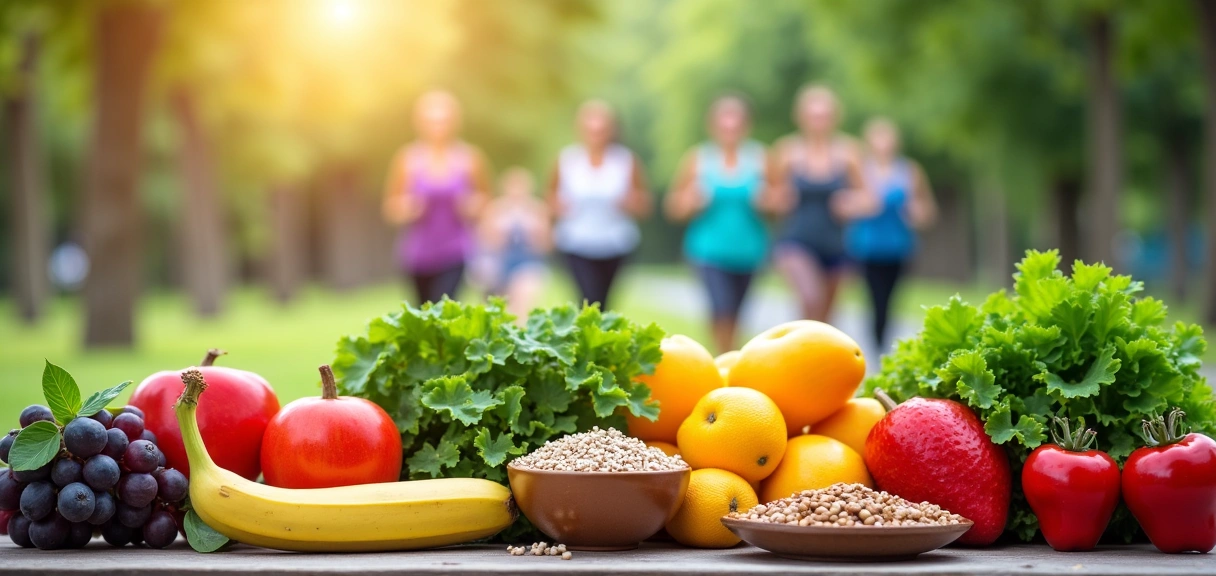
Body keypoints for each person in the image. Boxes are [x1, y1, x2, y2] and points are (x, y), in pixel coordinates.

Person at [666, 95, 781, 353]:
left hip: (749, 251)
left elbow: (783, 202)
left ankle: (727, 357)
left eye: (736, 126)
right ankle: (722, 360)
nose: (730, 131)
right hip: (708, 250)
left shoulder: (761, 158)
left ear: (746, 127)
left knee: (737, 314)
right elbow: (673, 207)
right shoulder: (698, 159)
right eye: (724, 126)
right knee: (721, 308)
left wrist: (768, 200)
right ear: (713, 127)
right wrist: (691, 201)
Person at [770, 85, 873, 322]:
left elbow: (870, 200)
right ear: (801, 117)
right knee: (810, 299)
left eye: (824, 116)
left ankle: (814, 357)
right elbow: (769, 198)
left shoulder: (849, 152)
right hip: (796, 241)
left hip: (835, 244)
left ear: (835, 117)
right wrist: (780, 199)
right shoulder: (786, 152)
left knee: (826, 318)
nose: (819, 121)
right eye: (813, 116)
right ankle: (797, 354)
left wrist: (851, 202)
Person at [382, 90, 491, 304]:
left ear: (454, 122)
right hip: (418, 254)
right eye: (431, 121)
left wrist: (473, 206)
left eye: (443, 120)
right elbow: (390, 208)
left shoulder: (469, 158)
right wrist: (407, 207)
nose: (437, 126)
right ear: (420, 123)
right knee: (423, 314)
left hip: (456, 250)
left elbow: (486, 202)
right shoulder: (408, 159)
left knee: (444, 307)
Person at [548, 100, 652, 309]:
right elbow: (550, 199)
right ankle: (589, 338)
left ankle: (601, 338)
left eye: (601, 130)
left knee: (604, 301)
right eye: (591, 129)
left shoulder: (626, 161)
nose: (596, 135)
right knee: (588, 299)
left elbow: (644, 205)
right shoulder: (567, 160)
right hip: (576, 242)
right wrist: (559, 206)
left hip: (615, 243)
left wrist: (630, 203)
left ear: (611, 131)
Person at [846, 118, 937, 350]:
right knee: (874, 299)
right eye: (878, 138)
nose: (883, 144)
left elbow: (927, 210)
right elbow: (842, 204)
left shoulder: (910, 171)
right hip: (866, 246)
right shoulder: (859, 169)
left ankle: (884, 343)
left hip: (898, 247)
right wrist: (860, 204)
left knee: (891, 299)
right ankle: (876, 344)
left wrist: (917, 212)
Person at [476, 167, 552, 319]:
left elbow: (546, 246)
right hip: (499, 265)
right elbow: (483, 242)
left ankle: (520, 336)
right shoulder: (495, 209)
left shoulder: (537, 209)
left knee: (523, 305)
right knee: (500, 312)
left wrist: (535, 235)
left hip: (527, 263)